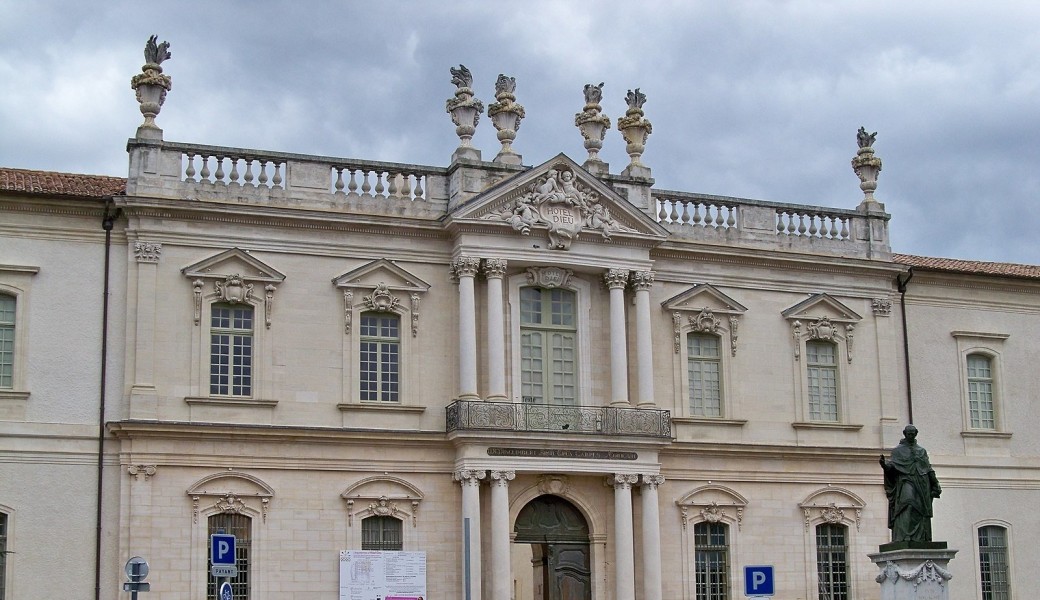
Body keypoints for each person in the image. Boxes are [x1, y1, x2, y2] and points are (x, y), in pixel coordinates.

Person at [879, 424, 942, 543]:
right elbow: (892, 466)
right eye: (909, 434)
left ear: (916, 434)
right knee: (908, 503)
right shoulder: (898, 451)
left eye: (913, 434)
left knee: (921, 510)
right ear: (905, 434)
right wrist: (884, 465)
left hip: (922, 483)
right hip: (906, 480)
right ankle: (904, 535)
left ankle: (921, 537)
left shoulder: (921, 451)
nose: (911, 436)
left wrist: (935, 484)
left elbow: (928, 468)